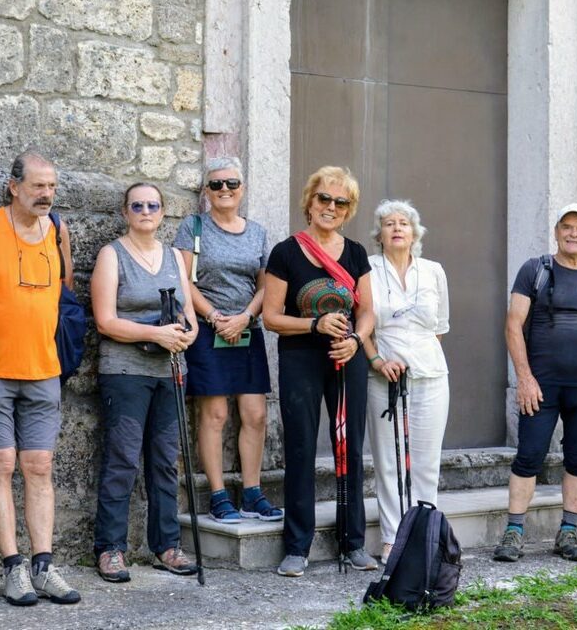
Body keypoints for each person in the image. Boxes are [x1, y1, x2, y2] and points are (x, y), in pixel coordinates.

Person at [263, 165, 377, 577]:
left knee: (350, 449)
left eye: (340, 202)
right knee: (300, 449)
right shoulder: (286, 252)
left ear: (349, 210)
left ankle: (354, 543)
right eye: (323, 199)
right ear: (309, 203)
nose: (331, 207)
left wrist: (356, 340)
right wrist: (314, 324)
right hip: (301, 359)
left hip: (348, 358)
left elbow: (367, 312)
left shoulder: (357, 252)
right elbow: (272, 317)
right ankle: (297, 546)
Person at [0, 150, 80, 606]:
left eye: (53, 186)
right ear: (14, 186)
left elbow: (68, 291)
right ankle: (13, 567)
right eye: (39, 186)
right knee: (0, 464)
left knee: (38, 467)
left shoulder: (58, 230)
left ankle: (44, 566)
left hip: (44, 371)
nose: (47, 194)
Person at [92, 182, 199, 582]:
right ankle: (111, 549)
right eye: (137, 205)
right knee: (122, 459)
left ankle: (166, 546)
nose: (145, 211)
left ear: (163, 212)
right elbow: (106, 321)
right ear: (125, 212)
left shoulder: (173, 256)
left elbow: (189, 314)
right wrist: (155, 334)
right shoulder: (112, 255)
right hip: (125, 373)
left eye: (153, 205)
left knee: (164, 461)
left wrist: (187, 334)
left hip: (171, 372)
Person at [175, 157, 281, 524]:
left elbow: (266, 284)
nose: (224, 191)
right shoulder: (194, 226)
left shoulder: (257, 232)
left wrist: (246, 317)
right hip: (208, 329)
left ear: (242, 189)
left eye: (231, 184)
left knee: (255, 414)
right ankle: (218, 495)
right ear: (206, 191)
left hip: (247, 328)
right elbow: (183, 280)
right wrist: (215, 317)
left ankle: (252, 492)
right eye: (216, 185)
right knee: (215, 413)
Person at [494, 203, 577, 562]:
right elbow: (513, 324)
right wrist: (524, 378)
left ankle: (569, 532)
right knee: (528, 457)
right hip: (540, 386)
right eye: (567, 227)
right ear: (556, 231)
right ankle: (514, 533)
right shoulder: (536, 270)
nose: (574, 234)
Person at [363, 200, 450, 566]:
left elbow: (440, 328)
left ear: (415, 233)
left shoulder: (433, 271)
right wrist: (377, 360)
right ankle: (391, 538)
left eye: (404, 223)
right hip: (383, 375)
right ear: (379, 234)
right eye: (389, 223)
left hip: (431, 375)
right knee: (388, 460)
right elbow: (362, 325)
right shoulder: (367, 268)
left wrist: (419, 358)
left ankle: (424, 535)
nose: (397, 228)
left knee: (427, 463)